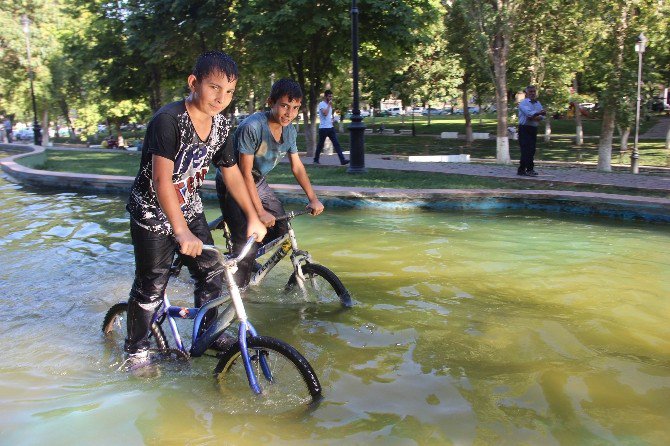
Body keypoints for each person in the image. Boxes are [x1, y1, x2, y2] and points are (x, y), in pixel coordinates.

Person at [124, 51, 267, 371]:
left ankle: (208, 335)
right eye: (215, 87)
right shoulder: (169, 120)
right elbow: (162, 181)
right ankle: (135, 349)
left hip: (188, 207)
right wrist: (180, 231)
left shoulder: (221, 124)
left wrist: (253, 216)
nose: (222, 98)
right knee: (152, 285)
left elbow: (230, 172)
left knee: (213, 273)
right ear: (193, 83)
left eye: (229, 91)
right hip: (152, 214)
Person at [216, 78, 324, 287]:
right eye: (284, 105)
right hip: (234, 182)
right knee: (246, 245)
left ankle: (245, 256)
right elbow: (244, 174)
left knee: (281, 229)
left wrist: (313, 198)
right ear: (271, 102)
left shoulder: (290, 130)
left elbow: (297, 167)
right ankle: (239, 278)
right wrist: (259, 212)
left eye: (295, 108)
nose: (289, 113)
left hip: (257, 181)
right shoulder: (253, 127)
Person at [313, 89, 349, 165]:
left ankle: (342, 160)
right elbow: (325, 113)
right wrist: (329, 105)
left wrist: (334, 120)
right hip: (323, 128)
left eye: (331, 96)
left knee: (336, 144)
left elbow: (328, 117)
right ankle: (316, 160)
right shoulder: (321, 104)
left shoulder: (330, 106)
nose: (331, 98)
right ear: (325, 96)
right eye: (329, 96)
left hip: (330, 127)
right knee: (320, 145)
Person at [517, 85, 546, 176]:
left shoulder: (538, 103)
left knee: (532, 150)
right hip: (524, 128)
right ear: (526, 93)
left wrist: (536, 116)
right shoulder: (523, 103)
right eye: (531, 92)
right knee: (526, 150)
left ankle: (524, 170)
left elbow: (541, 116)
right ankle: (527, 169)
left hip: (533, 128)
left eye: (534, 91)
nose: (533, 93)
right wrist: (536, 115)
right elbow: (529, 114)